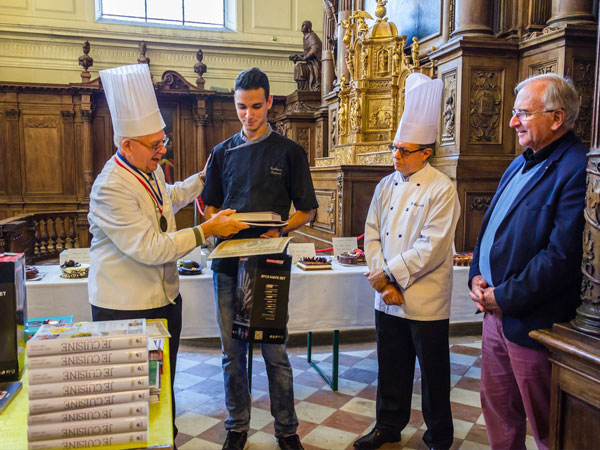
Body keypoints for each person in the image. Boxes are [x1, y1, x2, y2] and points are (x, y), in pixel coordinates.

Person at [88, 63, 248, 439]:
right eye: (155, 144)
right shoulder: (110, 187)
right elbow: (150, 247)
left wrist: (201, 179)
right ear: (127, 145)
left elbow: (168, 197)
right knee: (131, 399)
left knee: (160, 389)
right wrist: (207, 229)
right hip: (124, 306)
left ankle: (166, 440)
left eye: (164, 141)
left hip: (163, 301)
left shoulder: (149, 169)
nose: (162, 150)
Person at [201, 67, 318, 450]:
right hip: (228, 263)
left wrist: (281, 230)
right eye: (241, 107)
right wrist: (220, 222)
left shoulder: (289, 151)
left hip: (269, 263)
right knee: (231, 354)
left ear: (269, 102)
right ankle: (237, 426)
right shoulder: (221, 152)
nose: (248, 115)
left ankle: (287, 430)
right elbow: (211, 206)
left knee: (274, 351)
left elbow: (307, 211)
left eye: (255, 106)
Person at [468, 73, 587, 450]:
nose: (512, 122)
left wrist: (505, 295)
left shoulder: (578, 168)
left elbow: (561, 256)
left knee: (548, 425)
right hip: (495, 314)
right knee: (500, 414)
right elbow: (491, 228)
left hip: (534, 321)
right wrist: (477, 274)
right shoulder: (520, 163)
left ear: (556, 118)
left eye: (522, 113)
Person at [355, 73, 460, 450]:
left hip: (425, 298)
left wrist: (390, 275)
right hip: (386, 294)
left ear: (426, 152)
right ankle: (388, 426)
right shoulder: (385, 185)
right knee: (391, 366)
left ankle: (439, 435)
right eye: (394, 147)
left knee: (433, 372)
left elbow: (432, 247)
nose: (395, 155)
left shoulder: (442, 189)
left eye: (404, 149)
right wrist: (382, 280)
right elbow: (371, 232)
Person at [289, 20, 322, 92]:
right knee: (298, 67)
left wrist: (304, 58)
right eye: (302, 25)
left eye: (304, 25)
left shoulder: (312, 35)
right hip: (309, 62)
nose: (302, 27)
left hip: (315, 63)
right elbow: (306, 52)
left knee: (300, 67)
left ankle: (311, 86)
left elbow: (314, 49)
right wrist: (297, 57)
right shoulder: (305, 37)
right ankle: (302, 88)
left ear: (308, 27)